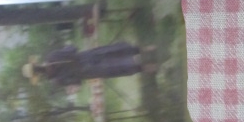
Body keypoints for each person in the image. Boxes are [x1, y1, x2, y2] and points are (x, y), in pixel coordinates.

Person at [22, 41, 156, 87]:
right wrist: (68, 50)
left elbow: (77, 82)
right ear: (36, 64)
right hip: (87, 56)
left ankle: (149, 67)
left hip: (90, 71)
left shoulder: (55, 81)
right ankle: (147, 49)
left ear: (38, 76)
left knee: (116, 68)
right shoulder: (51, 56)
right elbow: (72, 48)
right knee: (113, 52)